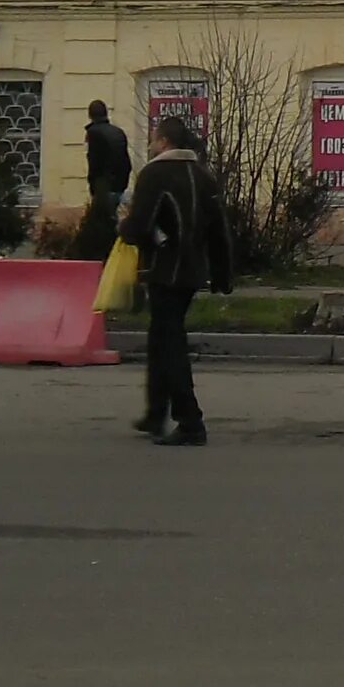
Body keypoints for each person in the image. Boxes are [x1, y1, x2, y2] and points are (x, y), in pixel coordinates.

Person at [118, 113, 233, 446]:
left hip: (165, 270)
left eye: (154, 138)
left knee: (170, 343)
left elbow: (139, 225)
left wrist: (123, 228)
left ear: (164, 141)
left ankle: (190, 421)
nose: (151, 144)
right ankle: (156, 413)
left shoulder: (155, 174)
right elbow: (219, 230)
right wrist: (223, 276)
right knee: (160, 337)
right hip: (192, 271)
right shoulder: (203, 176)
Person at [76, 102, 133, 262]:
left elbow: (94, 163)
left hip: (103, 187)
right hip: (119, 185)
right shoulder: (118, 132)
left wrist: (94, 186)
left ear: (90, 115)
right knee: (115, 223)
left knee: (102, 229)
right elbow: (126, 163)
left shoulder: (93, 133)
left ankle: (105, 261)